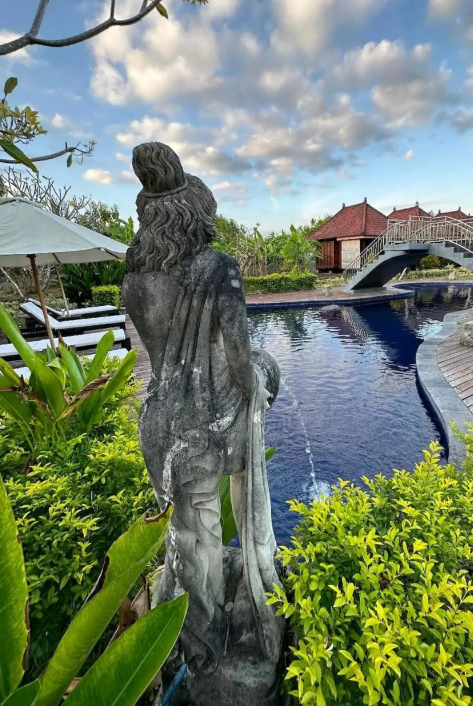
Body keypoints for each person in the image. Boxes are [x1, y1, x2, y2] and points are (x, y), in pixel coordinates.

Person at [122, 141, 282, 672]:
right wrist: (260, 385)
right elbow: (238, 357)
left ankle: (195, 643)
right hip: (209, 425)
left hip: (159, 424)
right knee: (215, 532)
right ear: (193, 213)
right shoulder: (219, 269)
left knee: (190, 541)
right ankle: (228, 633)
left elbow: (165, 358)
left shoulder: (133, 281)